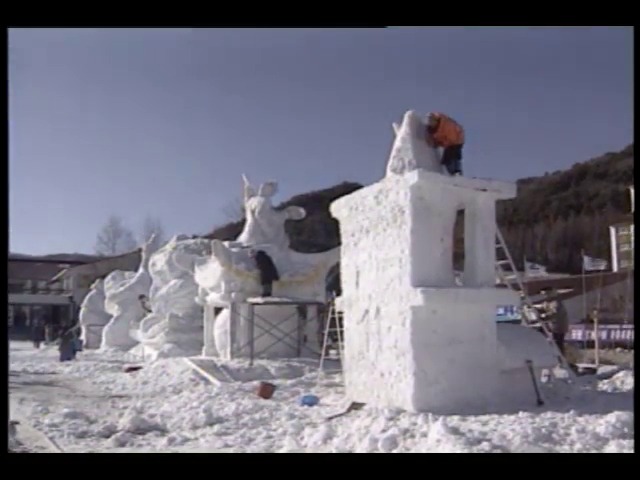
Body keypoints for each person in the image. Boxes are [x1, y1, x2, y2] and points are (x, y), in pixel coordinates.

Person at [425, 112, 465, 176]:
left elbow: (452, 138)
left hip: (456, 141)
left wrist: (439, 143)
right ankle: (454, 173)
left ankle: (456, 173)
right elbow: (439, 139)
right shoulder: (434, 130)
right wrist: (436, 143)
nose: (431, 123)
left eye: (432, 121)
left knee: (452, 158)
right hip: (450, 143)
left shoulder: (446, 125)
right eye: (429, 122)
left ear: (436, 120)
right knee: (449, 159)